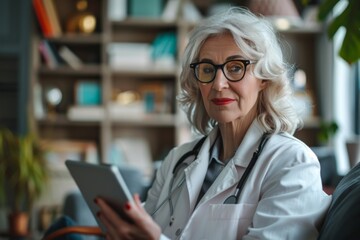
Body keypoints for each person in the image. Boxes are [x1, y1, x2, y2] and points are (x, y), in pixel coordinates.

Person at [95, 7, 331, 240]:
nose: (219, 84)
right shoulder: (178, 160)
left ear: (264, 80)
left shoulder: (292, 163)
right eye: (207, 69)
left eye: (236, 68)